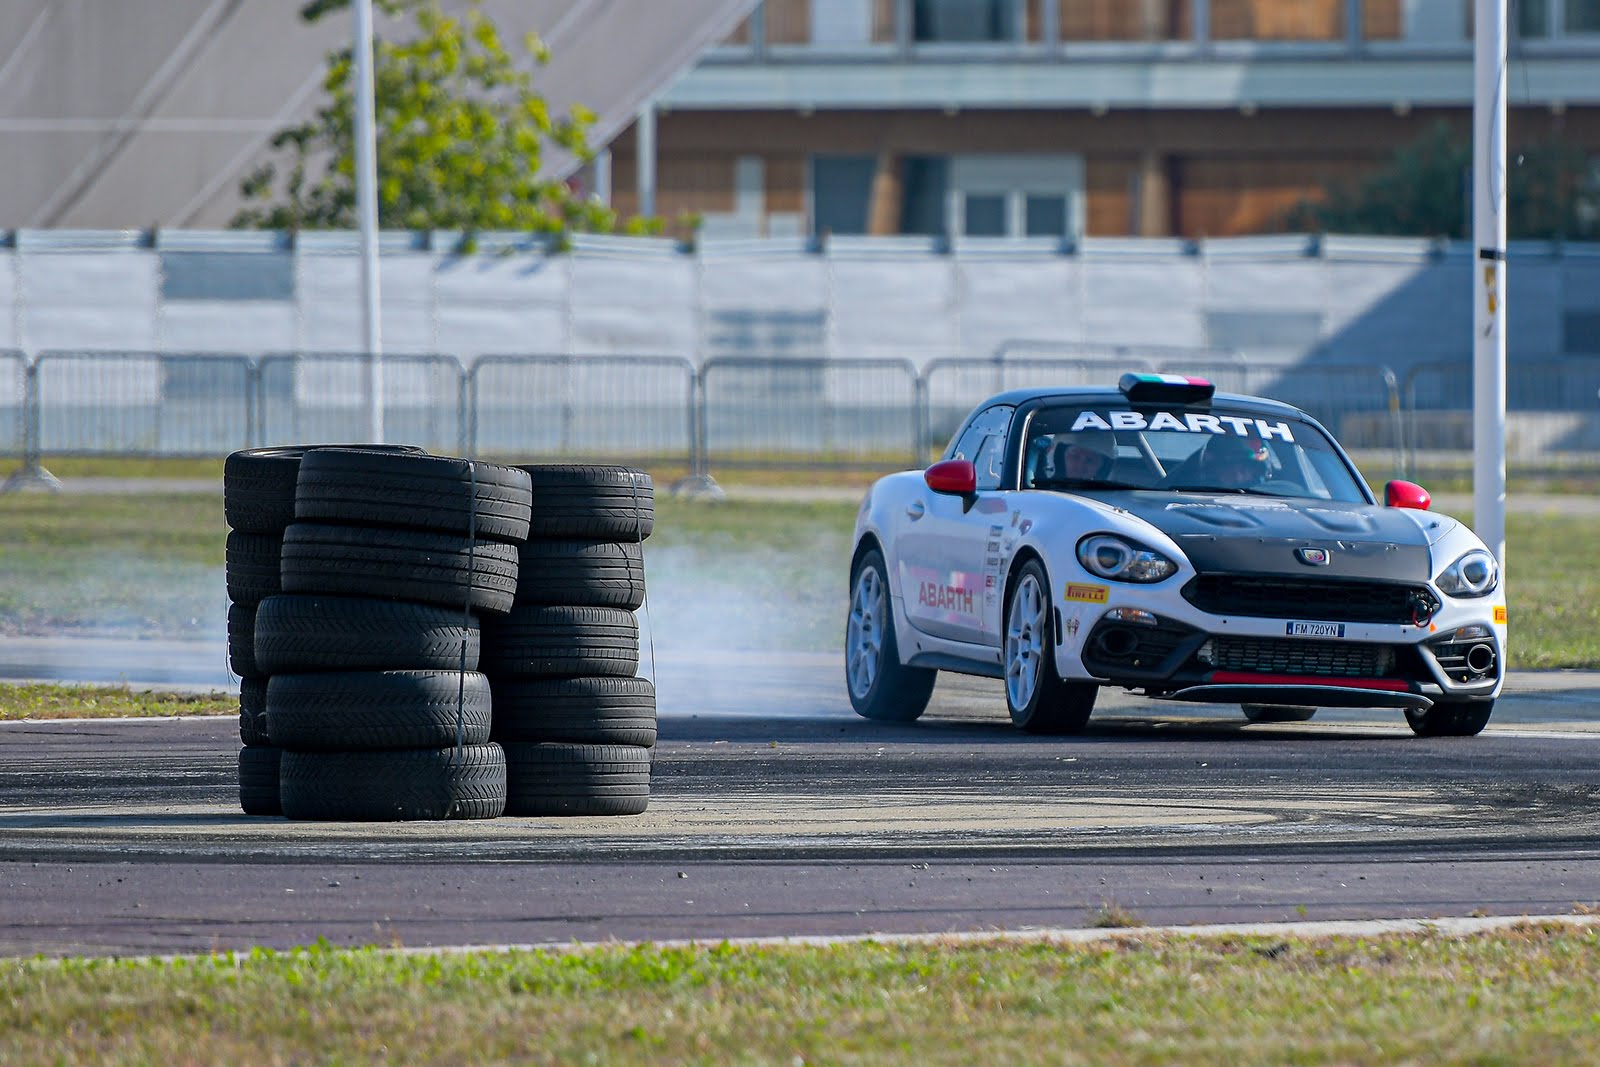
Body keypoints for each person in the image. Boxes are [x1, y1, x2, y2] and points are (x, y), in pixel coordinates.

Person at [1195, 434, 1270, 489]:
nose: (1238, 477)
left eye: (1245, 470)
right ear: (1214, 468)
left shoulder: (1269, 491)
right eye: (1229, 468)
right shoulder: (1190, 487)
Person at [1049, 434, 1114, 483]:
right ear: (1060, 458)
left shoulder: (1110, 498)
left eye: (1090, 460)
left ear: (1101, 468)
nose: (1079, 466)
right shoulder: (1042, 491)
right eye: (1075, 457)